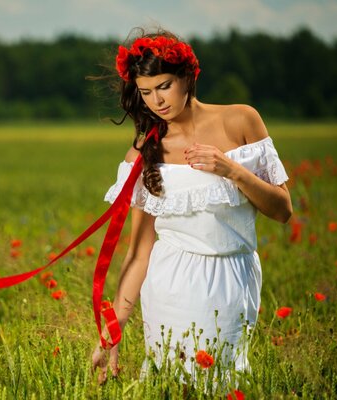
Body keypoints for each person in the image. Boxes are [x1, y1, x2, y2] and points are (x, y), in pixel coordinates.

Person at [91, 28, 292, 385]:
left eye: (165, 85)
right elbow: (139, 253)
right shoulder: (144, 153)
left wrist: (231, 170)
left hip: (232, 277)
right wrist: (114, 328)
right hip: (167, 283)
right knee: (169, 384)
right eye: (146, 91)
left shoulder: (241, 120)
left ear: (187, 77)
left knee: (222, 383)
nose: (157, 101)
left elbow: (282, 210)